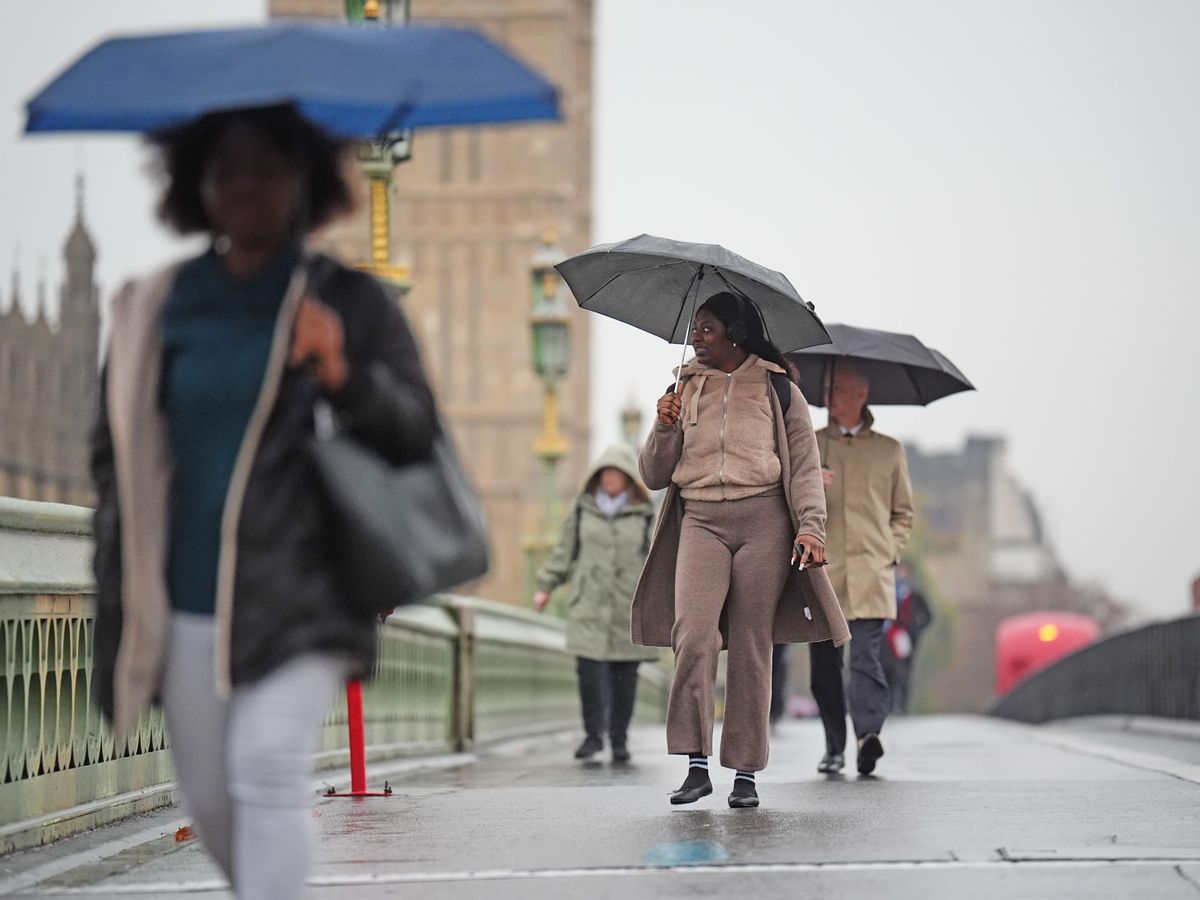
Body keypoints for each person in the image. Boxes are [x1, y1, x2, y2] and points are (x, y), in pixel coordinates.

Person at [89, 105, 438, 899]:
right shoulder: (155, 306)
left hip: (304, 591)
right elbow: (110, 447)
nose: (246, 185)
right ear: (196, 185)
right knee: (211, 805)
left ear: (304, 184)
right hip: (185, 593)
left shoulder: (348, 301)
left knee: (267, 773)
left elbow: (415, 432)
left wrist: (341, 371)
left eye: (268, 168)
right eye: (227, 169)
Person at [633, 291, 850, 809]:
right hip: (701, 520)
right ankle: (695, 764)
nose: (696, 338)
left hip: (764, 523)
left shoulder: (778, 388)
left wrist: (812, 529)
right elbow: (653, 474)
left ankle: (746, 773)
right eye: (694, 329)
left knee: (753, 645)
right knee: (694, 634)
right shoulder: (681, 388)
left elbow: (802, 468)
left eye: (706, 328)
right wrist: (664, 427)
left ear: (736, 332)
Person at [810, 361, 914, 776]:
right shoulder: (810, 445)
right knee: (824, 668)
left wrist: (890, 549)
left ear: (861, 395)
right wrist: (809, 485)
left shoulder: (889, 450)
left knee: (865, 660)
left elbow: (902, 513)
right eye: (828, 388)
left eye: (840, 389)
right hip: (822, 572)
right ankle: (834, 745)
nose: (830, 395)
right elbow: (784, 502)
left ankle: (867, 735)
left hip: (872, 572)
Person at [533, 445, 659, 763]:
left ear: (629, 478)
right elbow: (565, 552)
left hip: (626, 607)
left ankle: (618, 739)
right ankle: (592, 737)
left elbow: (659, 561)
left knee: (624, 678)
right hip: (589, 603)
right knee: (588, 673)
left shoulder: (646, 516)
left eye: (615, 473)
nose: (609, 478)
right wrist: (546, 586)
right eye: (604, 473)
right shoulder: (582, 510)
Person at [881, 563, 934, 713]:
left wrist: (915, 630)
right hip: (887, 636)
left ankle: (902, 705)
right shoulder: (889, 591)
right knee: (886, 669)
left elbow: (928, 615)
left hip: (905, 637)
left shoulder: (914, 594)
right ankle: (889, 704)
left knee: (904, 672)